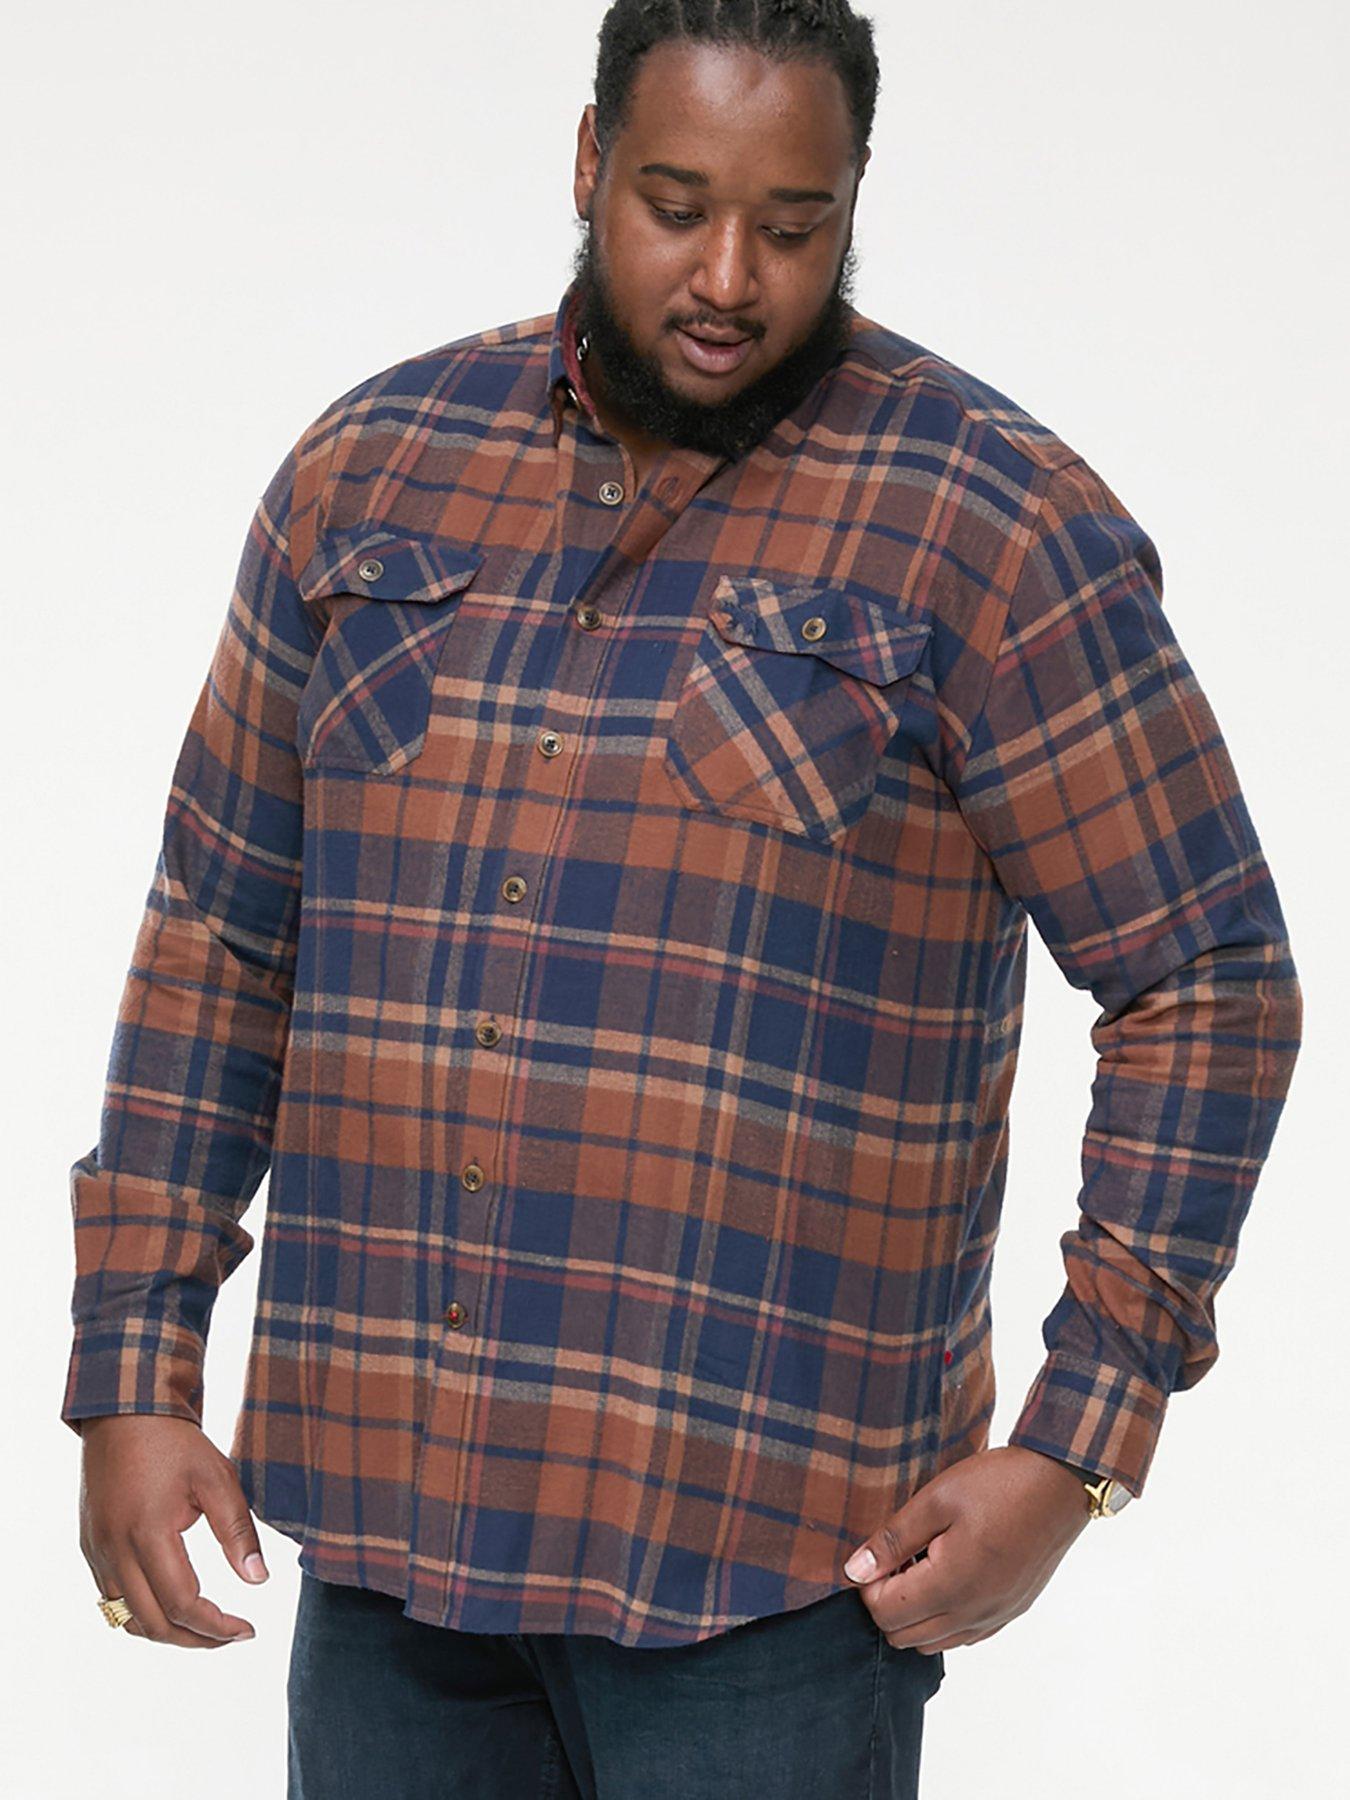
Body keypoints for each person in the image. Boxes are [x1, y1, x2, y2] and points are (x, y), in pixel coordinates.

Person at [62, 2, 1304, 1796]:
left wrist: (1078, 1443)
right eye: (675, 206)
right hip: (390, 1540)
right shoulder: (372, 468)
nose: (728, 277)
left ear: (852, 199)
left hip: (768, 1577)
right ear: (588, 163)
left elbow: (1205, 979)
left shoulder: (989, 522)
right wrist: (134, 1366)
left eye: (792, 226)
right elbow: (217, 933)